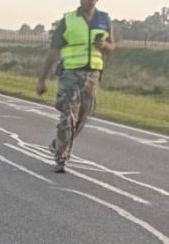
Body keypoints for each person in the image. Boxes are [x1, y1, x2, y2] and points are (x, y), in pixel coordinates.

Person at [36, 0, 114, 173]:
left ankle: (58, 143)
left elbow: (111, 45)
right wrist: (42, 79)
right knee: (69, 115)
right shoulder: (68, 20)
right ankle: (61, 157)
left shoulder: (104, 19)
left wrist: (104, 46)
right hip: (70, 73)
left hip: (92, 75)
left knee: (83, 116)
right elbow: (53, 51)